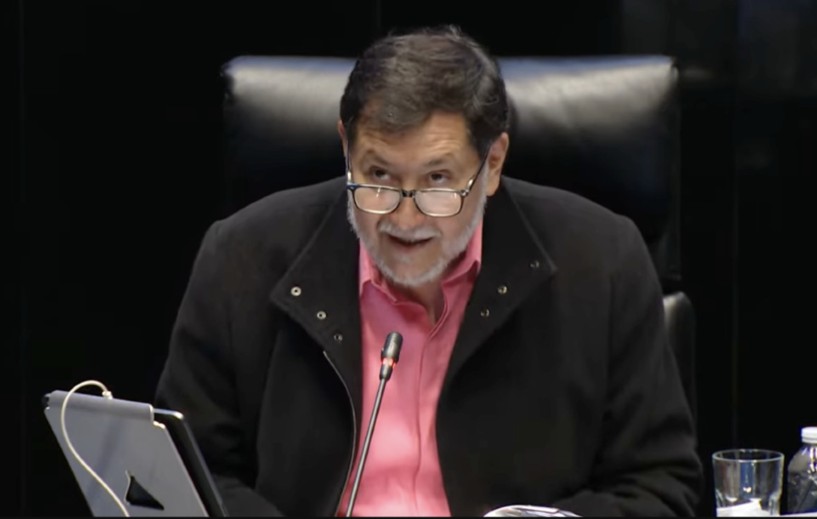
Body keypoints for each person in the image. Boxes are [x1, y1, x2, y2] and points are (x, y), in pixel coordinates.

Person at [155, 25, 702, 517]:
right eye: (379, 175)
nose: (405, 218)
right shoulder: (241, 259)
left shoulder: (601, 263)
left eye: (437, 180)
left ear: (492, 164)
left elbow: (660, 484)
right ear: (346, 148)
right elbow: (185, 475)